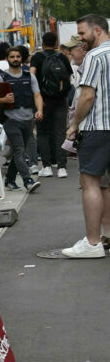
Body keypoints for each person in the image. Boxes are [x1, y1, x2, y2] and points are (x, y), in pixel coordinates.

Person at [60, 15, 110, 258]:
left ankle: (92, 243)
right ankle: (107, 235)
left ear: (97, 30)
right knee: (107, 185)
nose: (80, 39)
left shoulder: (94, 56)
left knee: (90, 182)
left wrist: (74, 124)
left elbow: (87, 95)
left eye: (82, 33)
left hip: (97, 127)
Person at [0, 44, 43, 193]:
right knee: (20, 150)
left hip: (28, 119)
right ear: (7, 59)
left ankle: (10, 179)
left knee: (18, 151)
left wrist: (39, 110)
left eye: (18, 56)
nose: (15, 59)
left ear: (21, 58)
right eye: (12, 57)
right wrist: (3, 100)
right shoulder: (1, 77)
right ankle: (28, 181)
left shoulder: (29, 76)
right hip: (10, 120)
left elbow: (37, 95)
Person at [32, 31, 75, 178]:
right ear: (56, 43)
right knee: (60, 132)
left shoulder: (37, 57)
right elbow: (68, 78)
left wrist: (37, 96)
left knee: (43, 132)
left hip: (43, 101)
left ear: (43, 43)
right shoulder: (62, 57)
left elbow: (32, 76)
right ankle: (62, 167)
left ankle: (47, 166)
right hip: (60, 100)